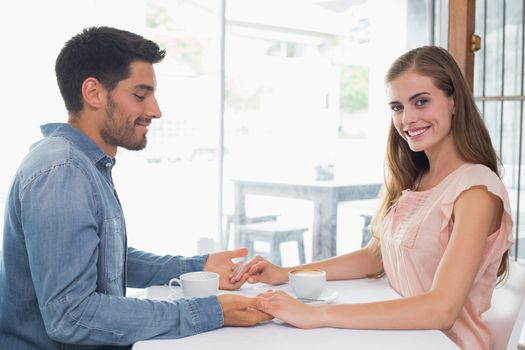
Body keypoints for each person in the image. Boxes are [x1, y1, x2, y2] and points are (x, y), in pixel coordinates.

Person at [0, 26, 271, 350]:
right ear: (94, 93)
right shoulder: (63, 171)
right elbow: (72, 315)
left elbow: (98, 258)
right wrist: (210, 311)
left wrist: (197, 267)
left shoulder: (81, 164)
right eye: (140, 95)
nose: (155, 110)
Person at [230, 46, 514, 350]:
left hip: (444, 343)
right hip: (402, 338)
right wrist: (284, 273)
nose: (408, 119)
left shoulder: (476, 191)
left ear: (454, 101)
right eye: (397, 107)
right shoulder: (418, 179)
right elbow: (375, 257)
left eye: (421, 101)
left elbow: (441, 309)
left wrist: (318, 314)